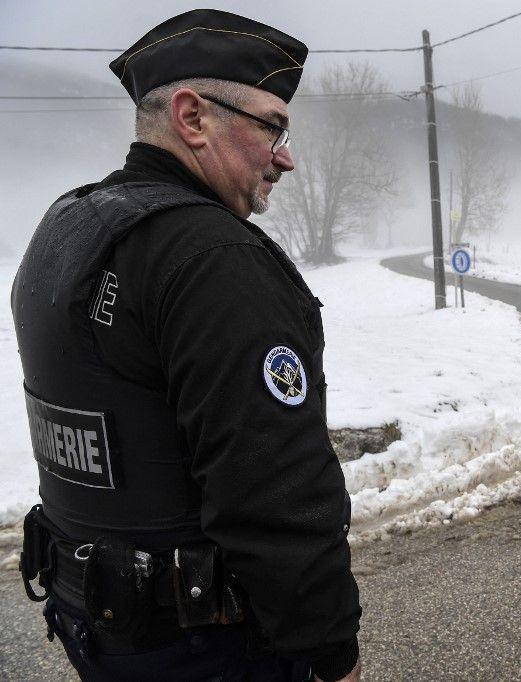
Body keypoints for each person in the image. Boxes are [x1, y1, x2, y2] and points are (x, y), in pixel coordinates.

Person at [13, 10, 361, 681]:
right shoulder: (212, 257)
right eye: (272, 127)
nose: (285, 157)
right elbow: (276, 491)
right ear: (193, 117)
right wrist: (330, 650)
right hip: (210, 649)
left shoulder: (67, 227)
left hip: (100, 627)